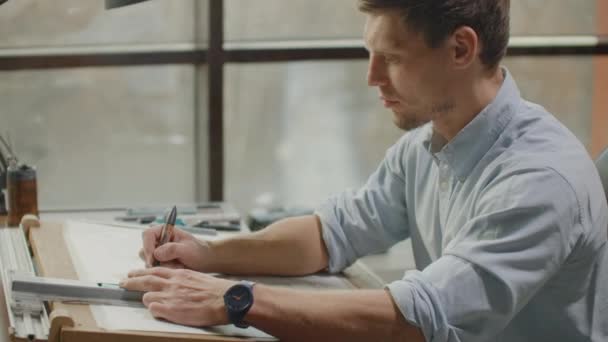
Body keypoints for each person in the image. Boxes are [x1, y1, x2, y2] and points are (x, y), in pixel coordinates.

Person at [119, 1, 608, 341]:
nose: (371, 77)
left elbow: (419, 320)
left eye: (391, 58)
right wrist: (210, 254)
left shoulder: (541, 180)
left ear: (461, 49)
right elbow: (331, 234)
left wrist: (239, 300)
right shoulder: (427, 142)